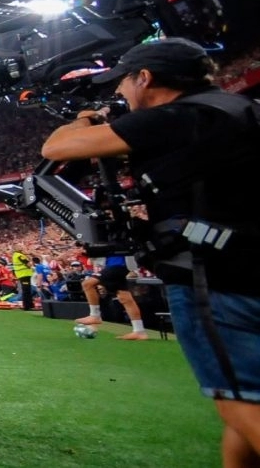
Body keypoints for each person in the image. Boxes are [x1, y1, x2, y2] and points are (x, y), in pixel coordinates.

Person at [40, 37, 260, 466]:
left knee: (239, 403)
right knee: (242, 408)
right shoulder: (243, 112)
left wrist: (91, 118)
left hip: (213, 277)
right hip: (250, 267)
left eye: (124, 81)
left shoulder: (174, 118)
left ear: (145, 78)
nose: (120, 92)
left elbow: (56, 148)